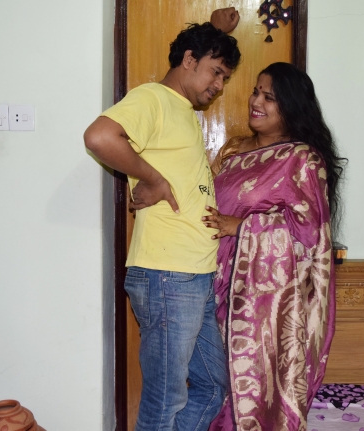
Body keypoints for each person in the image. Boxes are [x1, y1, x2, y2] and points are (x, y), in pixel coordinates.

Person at [84, 17, 241, 431]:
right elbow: (100, 137)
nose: (219, 85)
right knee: (166, 399)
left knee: (212, 387)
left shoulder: (182, 110)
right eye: (216, 73)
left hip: (195, 275)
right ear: (189, 60)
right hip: (168, 277)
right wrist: (152, 179)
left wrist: (216, 30)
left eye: (225, 78)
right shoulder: (153, 97)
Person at [203, 62, 346, 431]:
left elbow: (309, 234)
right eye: (256, 92)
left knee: (254, 385)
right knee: (213, 382)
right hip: (213, 281)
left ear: (292, 107)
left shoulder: (302, 160)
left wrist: (242, 227)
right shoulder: (234, 150)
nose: (256, 102)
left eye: (270, 97)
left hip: (267, 302)